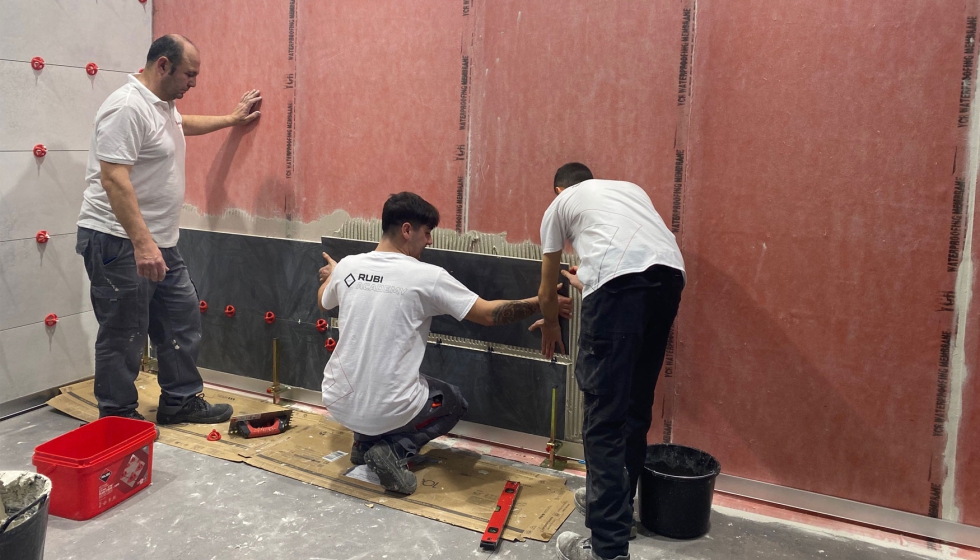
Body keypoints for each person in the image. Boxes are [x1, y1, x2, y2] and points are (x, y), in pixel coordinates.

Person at [317, 192, 571, 495]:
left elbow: (322, 301)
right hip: (384, 407)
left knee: (377, 381)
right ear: (407, 230)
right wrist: (542, 301)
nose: (430, 241)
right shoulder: (426, 276)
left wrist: (331, 275)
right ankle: (394, 450)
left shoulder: (348, 266)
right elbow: (490, 315)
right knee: (451, 401)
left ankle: (363, 444)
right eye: (427, 233)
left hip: (336, 399)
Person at [76, 34, 262, 424]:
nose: (193, 83)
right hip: (118, 240)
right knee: (124, 333)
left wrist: (230, 119)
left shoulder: (162, 107)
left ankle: (180, 401)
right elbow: (113, 179)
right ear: (163, 65)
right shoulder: (127, 107)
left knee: (181, 317)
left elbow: (181, 125)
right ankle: (118, 418)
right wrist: (143, 245)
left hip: (159, 241)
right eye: (189, 74)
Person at [533, 163, 685, 560]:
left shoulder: (560, 204)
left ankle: (607, 548)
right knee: (634, 407)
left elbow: (547, 287)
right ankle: (619, 510)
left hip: (621, 287)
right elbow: (635, 263)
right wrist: (589, 280)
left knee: (603, 417)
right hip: (669, 278)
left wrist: (551, 325)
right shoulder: (628, 190)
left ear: (559, 188)